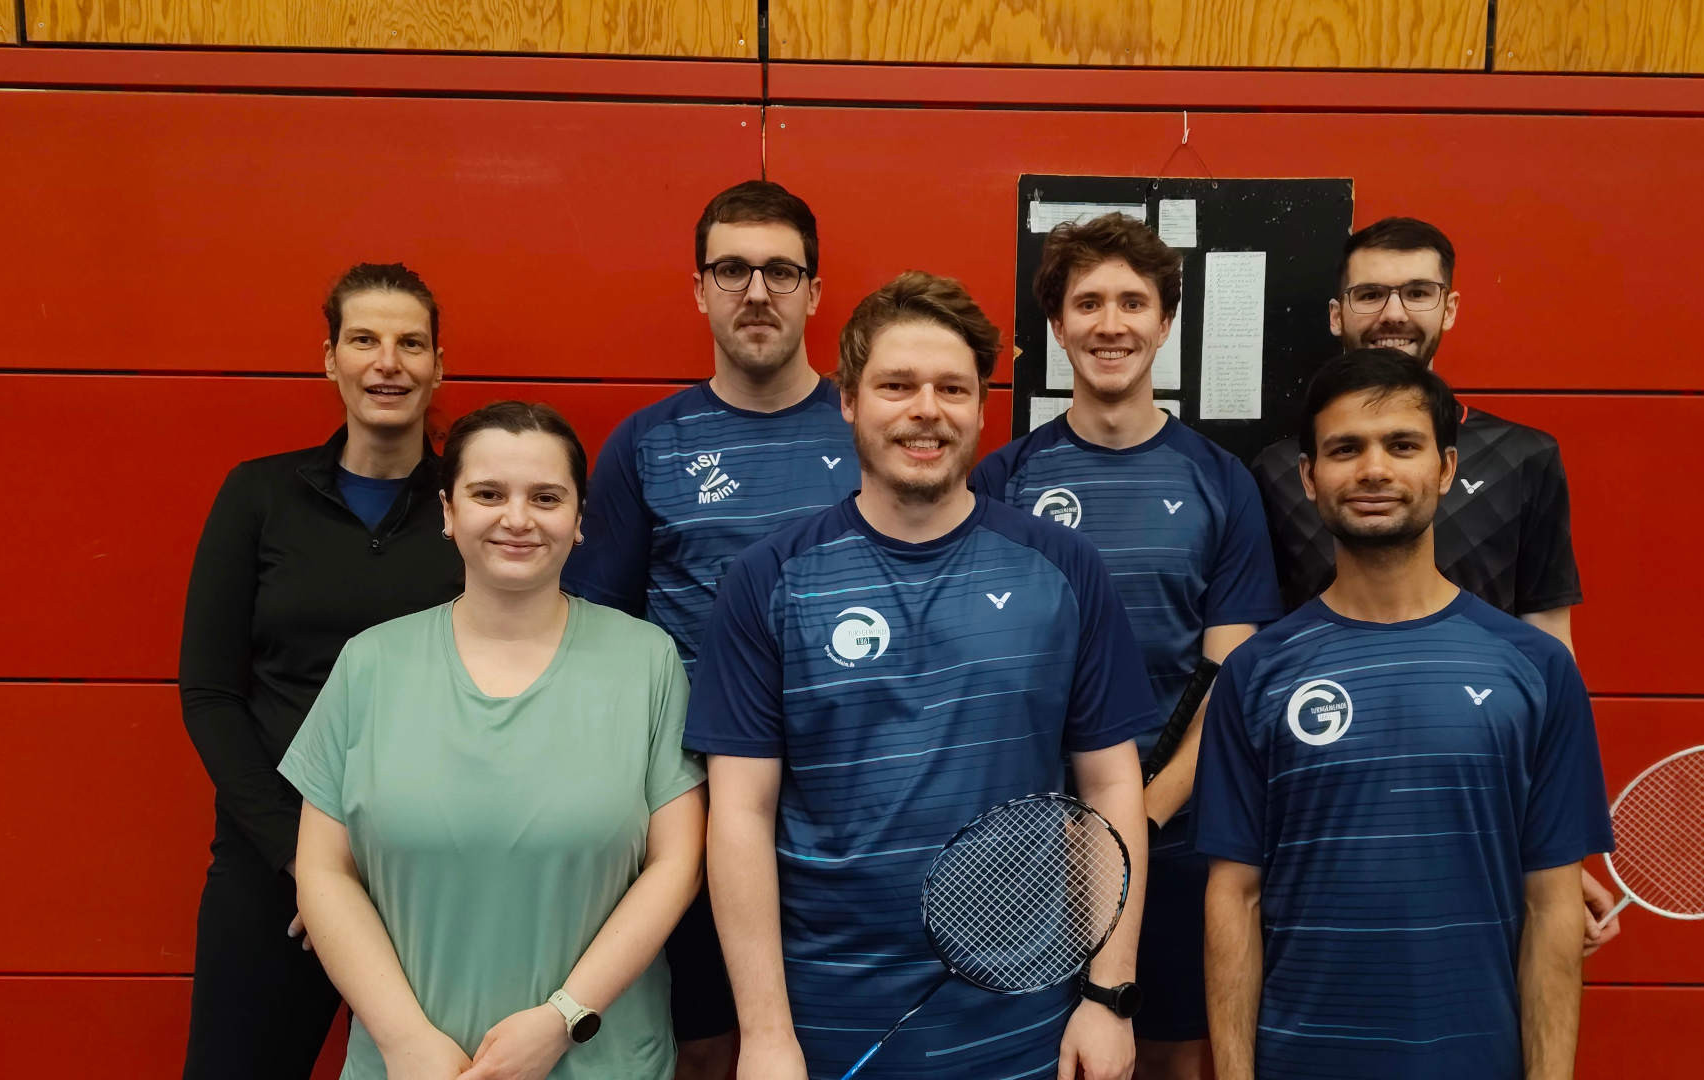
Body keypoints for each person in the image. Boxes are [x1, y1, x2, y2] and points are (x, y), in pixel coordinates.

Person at [688, 271, 1155, 1080]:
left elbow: (1112, 789)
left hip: (1025, 1016)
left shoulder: (1064, 567)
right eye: (897, 386)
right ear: (848, 401)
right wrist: (765, 1034)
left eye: (952, 388)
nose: (925, 410)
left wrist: (1108, 996)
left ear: (982, 406)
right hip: (825, 1017)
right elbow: (739, 813)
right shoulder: (766, 578)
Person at [1196, 349, 1613, 1080]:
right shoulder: (1255, 676)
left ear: (1446, 469)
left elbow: (1553, 911)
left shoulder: (1537, 670)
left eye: (1402, 445)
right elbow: (1234, 896)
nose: (1374, 471)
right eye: (1345, 449)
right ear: (1308, 477)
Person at [279, 401, 707, 1079]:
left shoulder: (647, 663)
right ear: (448, 513)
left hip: (602, 1061)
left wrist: (564, 1018)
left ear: (579, 517)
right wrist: (404, 1041)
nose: (517, 518)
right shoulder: (371, 665)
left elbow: (677, 865)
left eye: (545, 497)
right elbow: (324, 872)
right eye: (488, 494)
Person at [1248, 217, 1620, 954]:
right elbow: (1260, 658)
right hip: (1327, 805)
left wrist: (1558, 850)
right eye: (1370, 294)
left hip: (1478, 810)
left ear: (1449, 307)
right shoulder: (1278, 468)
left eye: (1418, 292)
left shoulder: (1525, 458)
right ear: (1337, 313)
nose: (1393, 313)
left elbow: (1551, 651)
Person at [973, 213, 1281, 1080]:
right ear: (1058, 325)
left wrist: (1139, 815)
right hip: (1030, 835)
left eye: (1133, 302)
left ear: (1165, 323)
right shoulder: (1003, 480)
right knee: (1043, 1055)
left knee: (1174, 1054)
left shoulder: (1222, 482)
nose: (1112, 323)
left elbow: (1229, 672)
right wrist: (1077, 822)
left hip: (1173, 830)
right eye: (1089, 303)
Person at [560, 179, 855, 1077]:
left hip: (847, 802)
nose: (756, 292)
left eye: (779, 271)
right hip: (690, 806)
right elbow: (594, 640)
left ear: (815, 289)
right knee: (703, 1047)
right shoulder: (647, 443)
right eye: (732, 269)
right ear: (698, 289)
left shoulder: (873, 424)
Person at [178, 263, 465, 1079]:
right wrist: (301, 863)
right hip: (274, 871)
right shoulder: (260, 496)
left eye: (411, 343)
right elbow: (209, 693)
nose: (388, 362)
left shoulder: (470, 504)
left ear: (438, 365)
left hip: (426, 870)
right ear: (329, 358)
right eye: (365, 340)